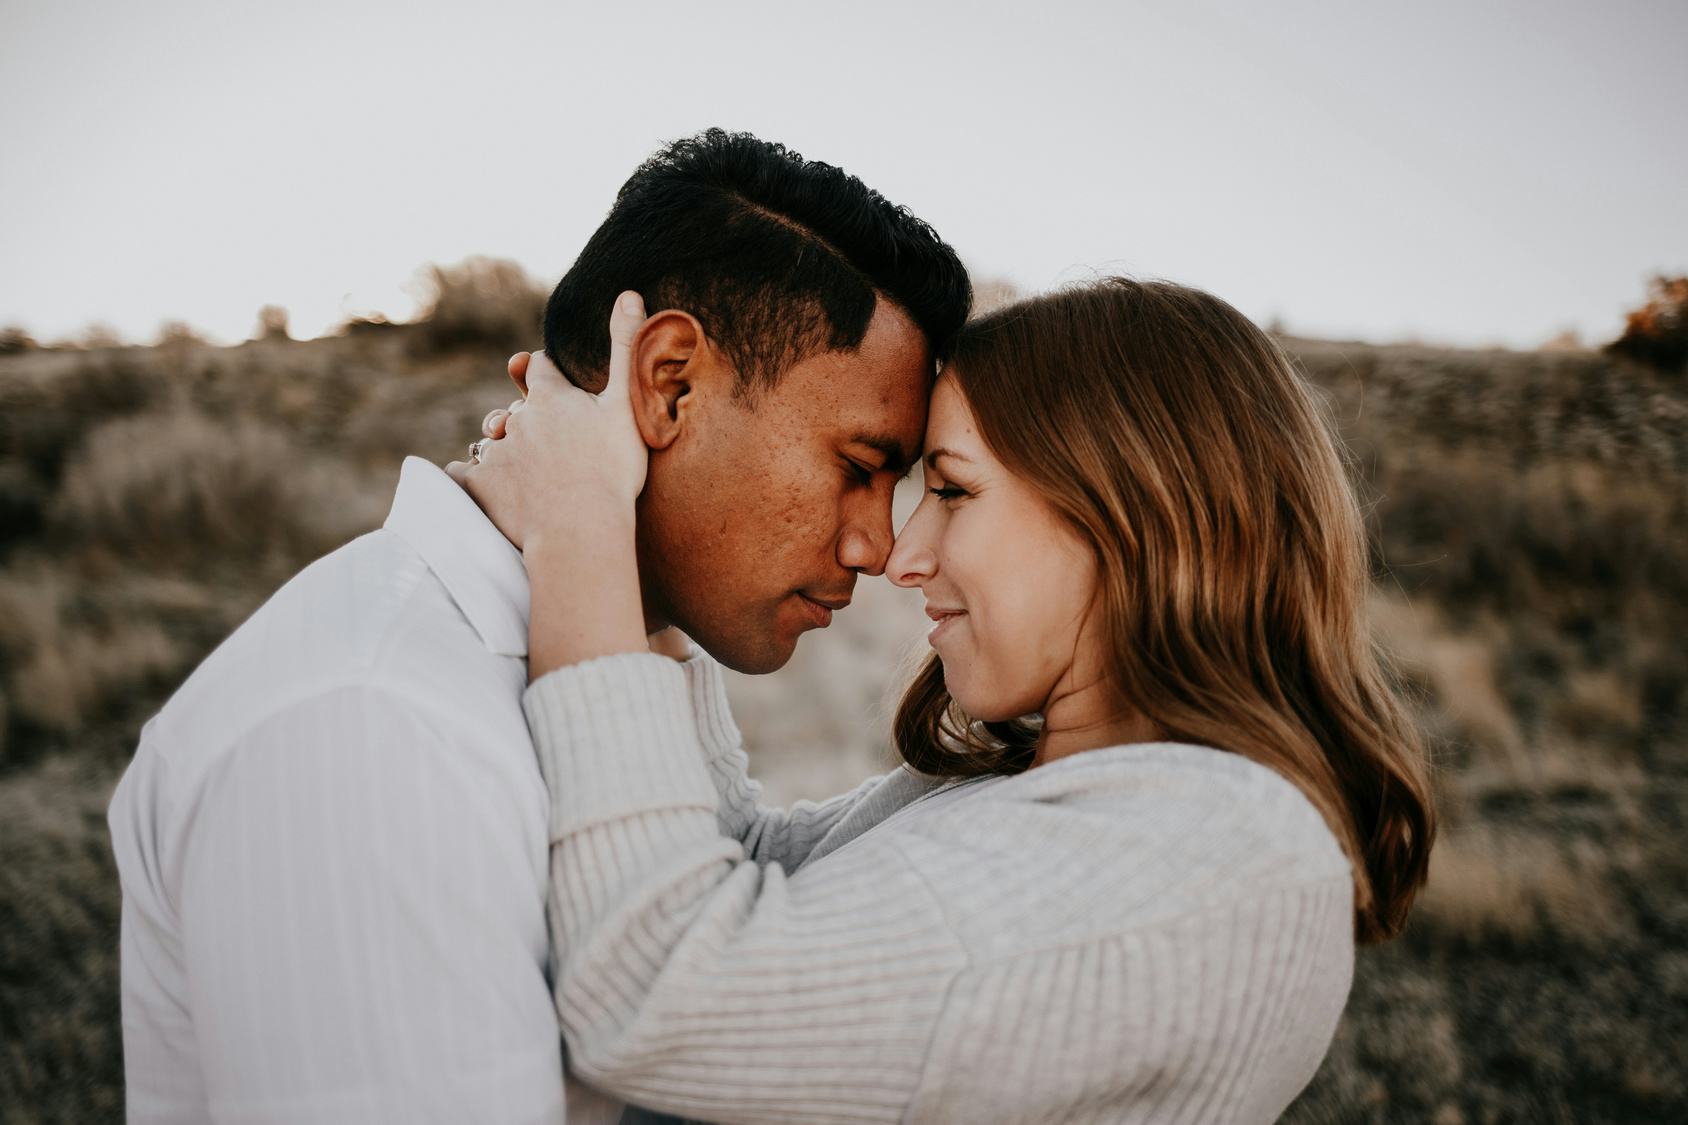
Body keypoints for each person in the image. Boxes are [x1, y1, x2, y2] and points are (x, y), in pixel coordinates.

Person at [105, 130, 969, 1124]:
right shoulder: (373, 725)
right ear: (669, 383)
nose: (876, 543)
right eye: (858, 466)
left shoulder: (530, 675)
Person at [458, 278, 1438, 1123]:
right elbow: (747, 870)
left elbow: (659, 995)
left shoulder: (1204, 861)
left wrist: (579, 525)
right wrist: (644, 548)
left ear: (1136, 514)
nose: (903, 554)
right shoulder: (1078, 795)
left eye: (953, 490)